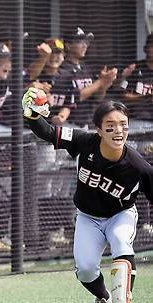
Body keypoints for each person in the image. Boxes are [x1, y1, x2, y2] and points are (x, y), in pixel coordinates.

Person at [23, 88, 153, 303]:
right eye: (111, 126)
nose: (118, 130)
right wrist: (32, 114)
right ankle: (104, 298)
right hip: (87, 217)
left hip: (120, 215)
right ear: (99, 130)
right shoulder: (84, 141)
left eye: (123, 125)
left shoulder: (139, 166)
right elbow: (47, 132)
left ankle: (124, 299)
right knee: (85, 270)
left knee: (121, 242)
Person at [53, 27, 118, 127]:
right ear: (69, 45)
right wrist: (100, 81)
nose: (85, 45)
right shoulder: (62, 68)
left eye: (86, 42)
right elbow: (77, 97)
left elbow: (97, 97)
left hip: (86, 123)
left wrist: (104, 85)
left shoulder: (86, 67)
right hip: (67, 124)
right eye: (80, 42)